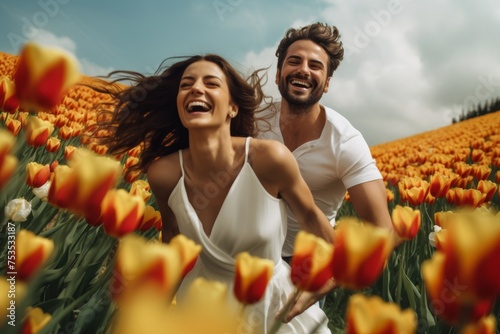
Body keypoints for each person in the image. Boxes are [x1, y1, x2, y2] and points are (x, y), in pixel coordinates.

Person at [92, 54, 334, 333]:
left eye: (211, 83)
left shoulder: (267, 159)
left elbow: (315, 222)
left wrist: (326, 281)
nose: (196, 89)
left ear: (232, 107)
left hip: (273, 310)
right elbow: (173, 243)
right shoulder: (165, 174)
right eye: (187, 85)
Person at [257, 22, 395, 317]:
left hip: (305, 264)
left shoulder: (345, 142)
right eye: (294, 61)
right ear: (279, 73)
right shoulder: (252, 121)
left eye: (315, 65)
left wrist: (323, 284)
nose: (303, 69)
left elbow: (382, 233)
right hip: (247, 250)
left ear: (327, 82)